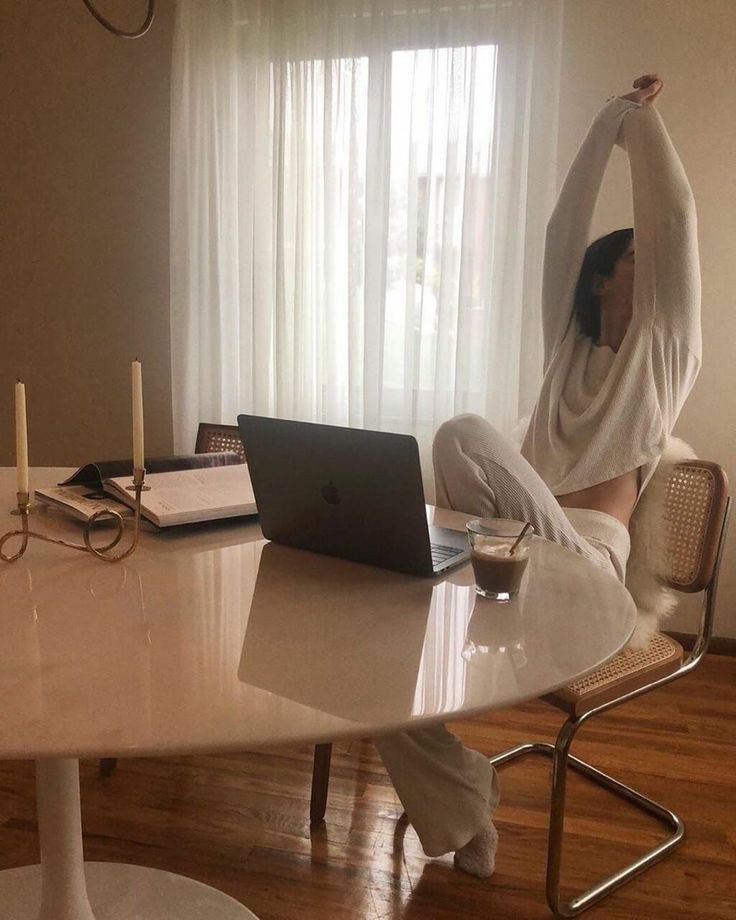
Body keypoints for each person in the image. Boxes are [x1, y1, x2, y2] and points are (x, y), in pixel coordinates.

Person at [376, 74, 701, 878]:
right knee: (378, 673)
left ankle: (467, 566)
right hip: (510, 556)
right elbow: (563, 229)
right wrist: (603, 121)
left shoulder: (660, 358)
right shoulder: (567, 350)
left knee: (464, 431)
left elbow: (675, 221)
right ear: (600, 278)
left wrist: (638, 122)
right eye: (635, 260)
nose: (656, 268)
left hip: (588, 568)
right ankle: (466, 805)